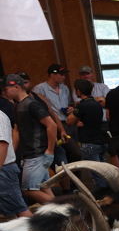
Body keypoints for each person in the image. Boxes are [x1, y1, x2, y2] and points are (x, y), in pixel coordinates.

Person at [7, 74, 57, 206]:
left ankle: (64, 210)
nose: (4, 93)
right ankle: (59, 217)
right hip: (30, 154)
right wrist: (11, 153)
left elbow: (51, 125)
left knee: (29, 190)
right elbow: (17, 130)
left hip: (37, 154)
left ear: (16, 87)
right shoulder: (17, 106)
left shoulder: (31, 104)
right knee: (43, 187)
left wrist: (49, 151)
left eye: (6, 89)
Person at [31, 63, 79, 165]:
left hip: (68, 123)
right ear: (52, 75)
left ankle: (75, 179)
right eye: (61, 74)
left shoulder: (64, 88)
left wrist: (71, 108)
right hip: (54, 125)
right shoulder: (39, 89)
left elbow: (69, 103)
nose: (64, 77)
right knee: (73, 152)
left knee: (74, 154)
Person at [68, 79, 110, 189]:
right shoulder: (97, 104)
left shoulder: (82, 106)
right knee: (104, 172)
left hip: (89, 144)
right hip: (100, 141)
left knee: (96, 175)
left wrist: (76, 116)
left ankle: (103, 196)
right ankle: (110, 192)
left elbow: (69, 121)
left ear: (78, 91)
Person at [0, 102, 31, 218]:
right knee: (14, 212)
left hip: (3, 170)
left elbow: (2, 145)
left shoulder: (0, 116)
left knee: (20, 210)